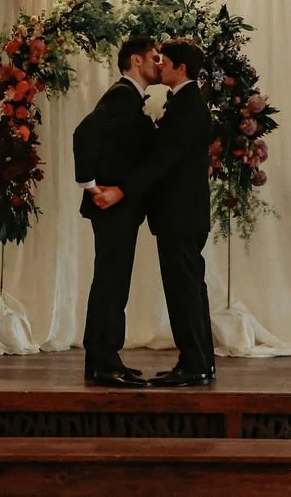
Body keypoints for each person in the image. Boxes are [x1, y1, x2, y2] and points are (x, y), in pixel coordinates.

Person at [96, 40, 215, 387]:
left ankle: (195, 364)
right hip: (182, 214)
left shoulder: (187, 105)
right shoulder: (186, 103)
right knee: (188, 288)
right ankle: (199, 361)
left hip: (181, 214)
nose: (159, 66)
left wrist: (123, 189)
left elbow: (163, 160)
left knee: (185, 290)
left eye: (165, 62)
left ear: (180, 69)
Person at [73, 37, 160, 388]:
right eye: (155, 57)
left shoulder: (127, 97)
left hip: (118, 204)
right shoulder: (123, 95)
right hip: (112, 205)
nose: (159, 63)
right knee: (112, 282)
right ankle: (105, 361)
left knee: (110, 281)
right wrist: (91, 186)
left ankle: (101, 360)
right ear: (136, 61)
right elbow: (83, 133)